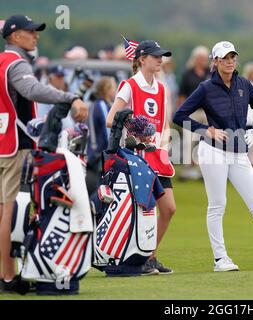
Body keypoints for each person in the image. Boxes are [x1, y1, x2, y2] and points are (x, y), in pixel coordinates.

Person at [174, 41, 253, 272]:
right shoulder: (205, 88)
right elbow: (179, 115)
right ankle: (220, 259)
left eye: (233, 57)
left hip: (239, 152)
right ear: (216, 62)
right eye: (225, 58)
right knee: (217, 205)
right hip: (212, 151)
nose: (230, 61)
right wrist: (205, 129)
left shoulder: (244, 84)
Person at [0, 14, 88, 293]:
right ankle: (7, 276)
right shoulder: (16, 63)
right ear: (14, 36)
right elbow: (32, 90)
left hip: (4, 142)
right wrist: (70, 97)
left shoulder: (2, 62)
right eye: (30, 32)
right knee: (10, 210)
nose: (35, 36)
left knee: (3, 210)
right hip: (16, 144)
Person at [106, 40, 175, 275]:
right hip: (134, 156)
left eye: (161, 56)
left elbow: (163, 124)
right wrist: (134, 126)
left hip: (157, 155)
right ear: (142, 59)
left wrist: (162, 145)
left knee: (168, 208)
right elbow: (110, 119)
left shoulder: (162, 88)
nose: (160, 59)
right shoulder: (129, 85)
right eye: (155, 56)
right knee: (144, 210)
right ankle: (138, 259)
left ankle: (150, 256)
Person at [177, 46, 210, 181]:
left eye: (204, 58)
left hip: (208, 112)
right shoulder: (187, 74)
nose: (202, 61)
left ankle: (204, 170)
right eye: (200, 58)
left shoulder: (211, 73)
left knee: (207, 141)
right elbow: (182, 95)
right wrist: (181, 112)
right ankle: (186, 170)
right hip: (192, 112)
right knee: (189, 141)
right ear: (195, 59)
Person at [86, 76, 117, 194]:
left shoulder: (104, 104)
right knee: (100, 189)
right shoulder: (101, 105)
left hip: (99, 153)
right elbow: (107, 131)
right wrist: (112, 150)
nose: (115, 90)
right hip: (98, 154)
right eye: (113, 87)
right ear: (106, 89)